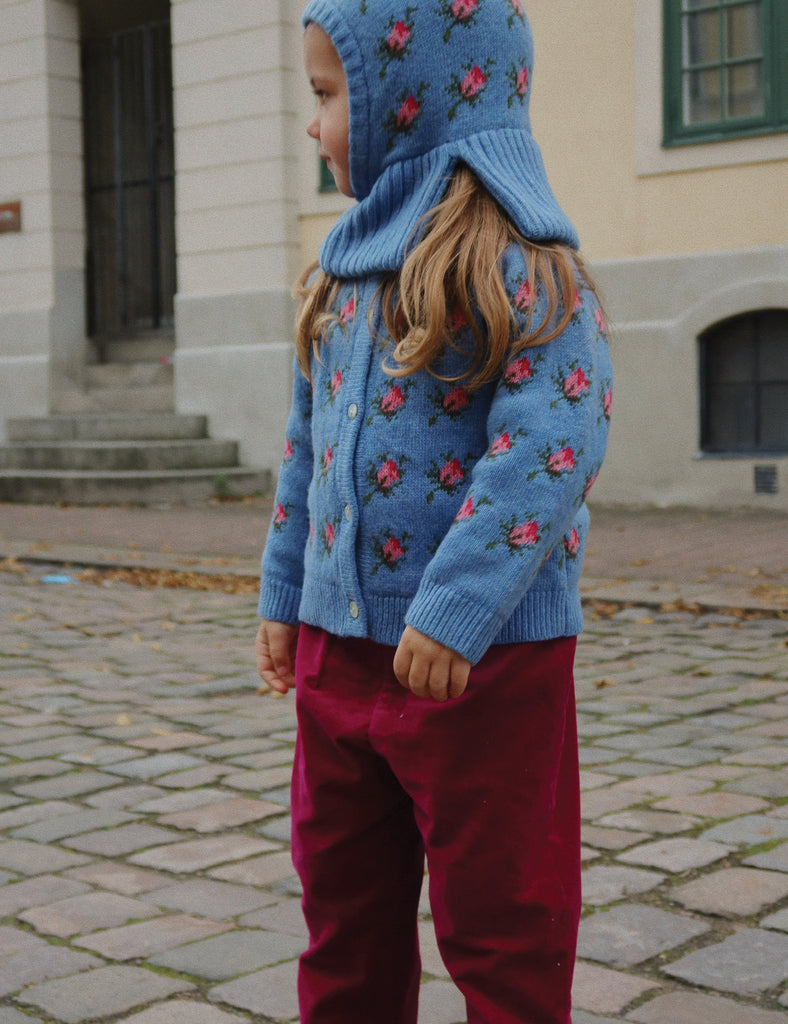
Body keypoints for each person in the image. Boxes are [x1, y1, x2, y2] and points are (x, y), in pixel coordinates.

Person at [255, 1, 613, 1021]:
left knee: (505, 924)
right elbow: (305, 454)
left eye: (327, 97)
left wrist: (455, 608)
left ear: (405, 104)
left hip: (483, 668)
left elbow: (548, 448)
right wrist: (286, 590)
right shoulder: (338, 275)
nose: (313, 124)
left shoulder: (523, 271)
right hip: (337, 658)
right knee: (344, 914)